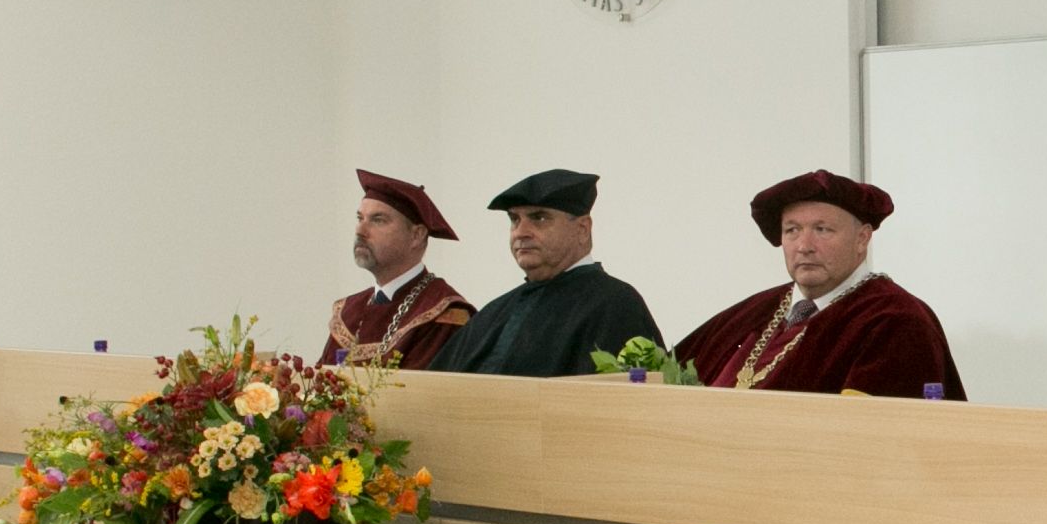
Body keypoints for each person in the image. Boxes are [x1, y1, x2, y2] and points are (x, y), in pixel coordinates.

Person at [674, 171, 964, 397]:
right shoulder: (752, 312)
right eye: (792, 230)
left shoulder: (895, 321)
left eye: (822, 230)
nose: (804, 246)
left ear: (862, 239)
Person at [426, 171, 660, 376]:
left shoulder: (615, 305)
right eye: (514, 219)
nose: (520, 232)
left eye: (539, 218)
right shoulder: (495, 311)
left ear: (582, 229)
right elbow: (431, 388)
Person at [322, 169, 473, 369]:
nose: (360, 231)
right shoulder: (349, 311)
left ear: (417, 235)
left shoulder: (443, 313)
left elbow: (421, 387)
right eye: (360, 218)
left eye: (378, 220)